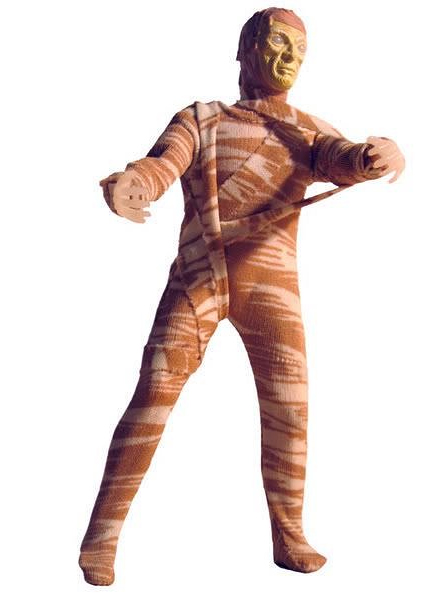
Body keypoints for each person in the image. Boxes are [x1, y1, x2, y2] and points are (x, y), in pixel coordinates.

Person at [79, 7, 405, 585]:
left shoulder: (306, 131)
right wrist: (131, 182)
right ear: (246, 48)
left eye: (300, 50)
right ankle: (100, 538)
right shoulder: (202, 119)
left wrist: (375, 155)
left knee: (290, 404)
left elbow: (344, 158)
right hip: (198, 278)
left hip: (271, 287)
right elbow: (162, 165)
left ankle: (289, 533)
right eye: (278, 43)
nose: (289, 58)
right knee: (154, 392)